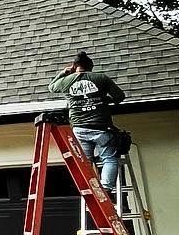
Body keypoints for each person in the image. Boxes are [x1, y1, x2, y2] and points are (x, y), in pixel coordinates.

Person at [48, 51, 127, 190]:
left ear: (74, 66)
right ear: (90, 67)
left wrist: (63, 72)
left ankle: (91, 190)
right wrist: (104, 100)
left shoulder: (66, 81)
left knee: (85, 161)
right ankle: (107, 189)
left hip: (80, 129)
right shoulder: (101, 78)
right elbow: (120, 96)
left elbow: (51, 87)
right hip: (101, 128)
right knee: (109, 158)